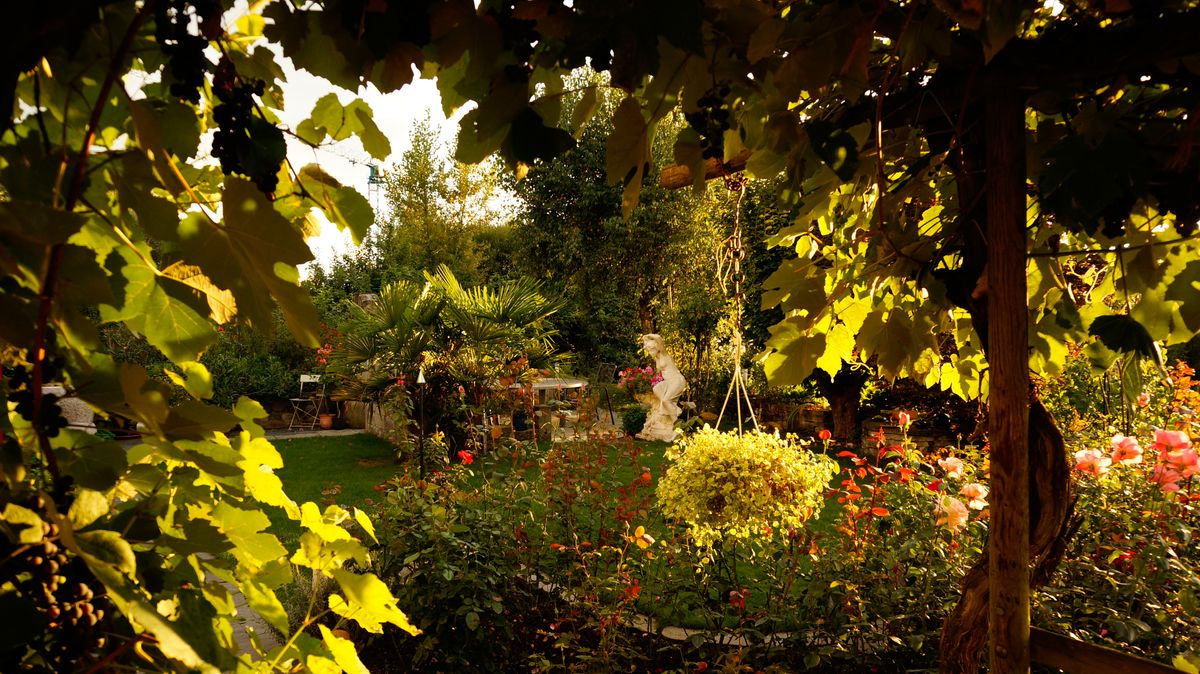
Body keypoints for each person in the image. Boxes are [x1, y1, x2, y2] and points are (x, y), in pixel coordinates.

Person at [638, 334, 687, 441]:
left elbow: (659, 338)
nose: (650, 353)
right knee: (656, 389)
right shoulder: (657, 358)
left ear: (656, 348)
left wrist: (647, 336)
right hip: (668, 382)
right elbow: (660, 374)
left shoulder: (664, 354)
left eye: (651, 350)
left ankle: (677, 426)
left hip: (677, 380)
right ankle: (673, 409)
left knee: (665, 400)